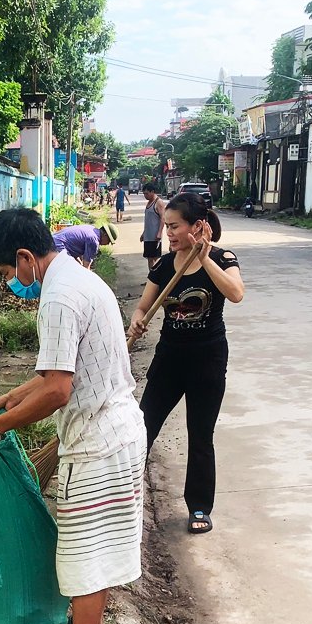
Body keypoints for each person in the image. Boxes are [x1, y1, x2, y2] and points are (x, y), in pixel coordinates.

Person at [0, 208, 145, 624]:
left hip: (98, 443)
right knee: (95, 545)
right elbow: (56, 373)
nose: (12, 284)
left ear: (25, 258)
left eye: (9, 274)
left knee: (80, 554)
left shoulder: (57, 296)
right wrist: (15, 396)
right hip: (116, 431)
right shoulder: (77, 277)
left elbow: (58, 390)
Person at [129, 193, 244, 535]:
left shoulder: (224, 258)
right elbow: (143, 306)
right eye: (166, 227)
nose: (169, 234)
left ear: (198, 227)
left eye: (175, 227)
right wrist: (137, 319)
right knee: (143, 427)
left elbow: (236, 293)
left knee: (200, 434)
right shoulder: (164, 265)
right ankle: (126, 499)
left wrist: (205, 257)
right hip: (170, 358)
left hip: (207, 359)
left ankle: (199, 506)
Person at [51, 222, 117, 267]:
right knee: (68, 269)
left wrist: (79, 264)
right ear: (105, 235)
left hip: (54, 239)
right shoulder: (94, 240)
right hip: (58, 244)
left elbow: (73, 249)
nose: (107, 244)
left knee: (75, 266)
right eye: (108, 241)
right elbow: (86, 266)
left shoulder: (91, 228)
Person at [140, 183, 166, 271]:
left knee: (155, 258)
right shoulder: (148, 203)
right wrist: (143, 234)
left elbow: (163, 218)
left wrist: (159, 233)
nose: (145, 196)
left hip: (155, 237)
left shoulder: (159, 203)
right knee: (149, 258)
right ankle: (151, 278)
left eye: (146, 193)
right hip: (148, 236)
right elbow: (148, 220)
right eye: (144, 194)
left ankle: (156, 280)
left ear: (152, 192)